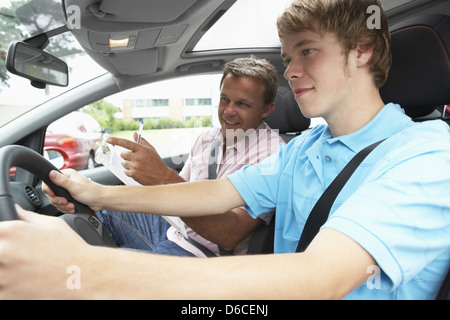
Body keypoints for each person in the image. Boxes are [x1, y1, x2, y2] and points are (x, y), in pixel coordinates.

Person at [0, 0, 449, 300]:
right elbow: (217, 191)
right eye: (288, 56)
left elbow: (321, 278)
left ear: (362, 51)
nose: (291, 70)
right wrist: (99, 195)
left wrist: (80, 273)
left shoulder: (429, 155)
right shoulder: (307, 147)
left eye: (306, 52)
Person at [52, 56, 284, 257]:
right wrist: (140, 176)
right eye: (225, 99)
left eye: (242, 104)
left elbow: (229, 235)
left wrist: (161, 176)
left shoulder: (274, 155)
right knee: (90, 214)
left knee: (112, 271)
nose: (228, 111)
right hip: (175, 229)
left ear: (266, 110)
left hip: (206, 256)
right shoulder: (208, 138)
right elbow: (177, 193)